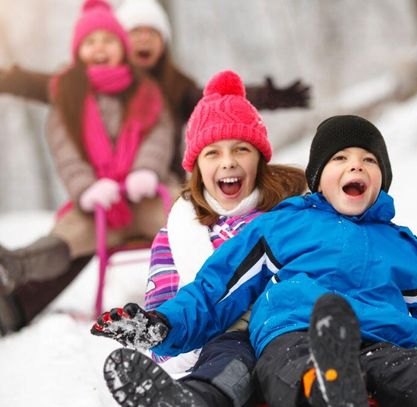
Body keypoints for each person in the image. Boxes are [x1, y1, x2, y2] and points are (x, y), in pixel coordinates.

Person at [92, 114, 417, 407]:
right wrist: (160, 325)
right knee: (294, 369)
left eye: (368, 161)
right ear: (318, 178)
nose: (355, 167)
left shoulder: (402, 246)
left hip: (385, 344)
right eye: (340, 158)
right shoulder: (285, 225)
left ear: (381, 179)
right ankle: (324, 391)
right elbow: (217, 289)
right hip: (297, 334)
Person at [0, 0, 311, 336]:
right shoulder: (79, 87)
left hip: (154, 188)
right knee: (76, 237)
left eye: (152, 33)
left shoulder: (170, 87)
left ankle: (214, 296)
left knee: (186, 225)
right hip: (105, 195)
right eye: (136, 33)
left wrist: (265, 95)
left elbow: (217, 101)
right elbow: (43, 88)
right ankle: (16, 301)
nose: (144, 40)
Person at [96, 69, 306, 407]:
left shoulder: (287, 218)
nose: (228, 162)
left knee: (286, 361)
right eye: (213, 153)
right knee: (229, 362)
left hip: (285, 331)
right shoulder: (177, 234)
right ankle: (190, 400)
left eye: (241, 149)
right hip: (217, 341)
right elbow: (165, 299)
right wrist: (153, 327)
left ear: (259, 159)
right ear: (196, 166)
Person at [0, 0, 175, 333]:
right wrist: (86, 187)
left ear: (121, 47)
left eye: (108, 41)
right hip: (99, 204)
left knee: (184, 218)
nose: (99, 48)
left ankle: (215, 282)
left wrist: (147, 169)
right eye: (90, 42)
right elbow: (65, 149)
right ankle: (15, 266)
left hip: (146, 193)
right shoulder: (68, 94)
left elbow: (158, 132)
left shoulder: (145, 90)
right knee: (67, 236)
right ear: (78, 50)